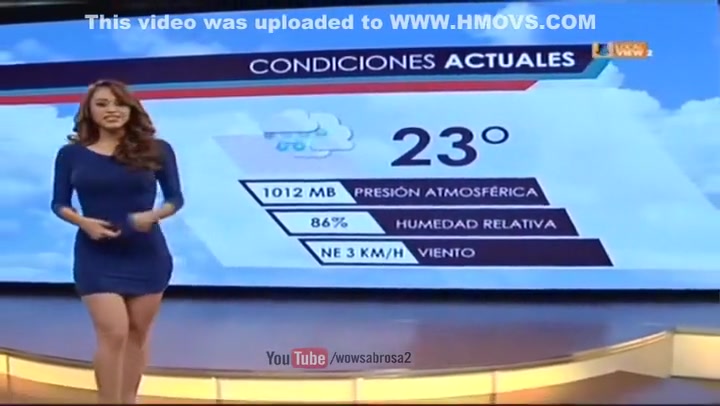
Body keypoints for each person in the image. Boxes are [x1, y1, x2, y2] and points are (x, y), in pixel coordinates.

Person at [50, 79, 184, 404]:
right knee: (114, 332)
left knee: (137, 334)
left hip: (147, 254)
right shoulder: (71, 154)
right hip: (96, 255)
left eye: (119, 103)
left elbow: (175, 199)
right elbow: (59, 203)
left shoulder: (157, 149)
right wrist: (83, 222)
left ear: (130, 109)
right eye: (102, 104)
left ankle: (128, 399)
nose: (112, 110)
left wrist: (153, 215)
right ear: (90, 112)